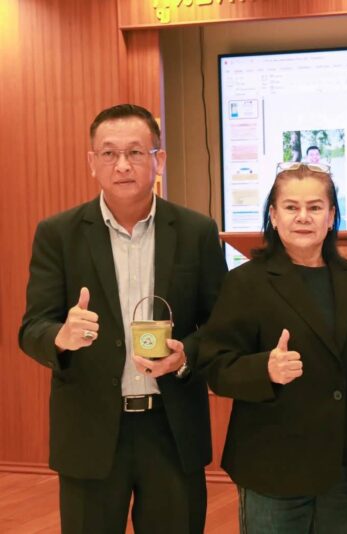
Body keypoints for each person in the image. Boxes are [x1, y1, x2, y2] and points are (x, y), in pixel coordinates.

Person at [18, 104, 228, 533]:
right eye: (109, 153)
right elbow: (32, 328)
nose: (123, 165)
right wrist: (62, 336)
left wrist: (185, 355)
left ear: (159, 160)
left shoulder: (196, 232)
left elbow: (221, 326)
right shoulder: (58, 234)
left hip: (171, 429)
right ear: (92, 162)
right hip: (90, 432)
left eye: (135, 152)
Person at [198, 162, 347, 533]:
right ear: (274, 216)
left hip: (342, 467)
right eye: (291, 207)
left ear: (331, 217)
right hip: (273, 465)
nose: (303, 217)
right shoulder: (246, 281)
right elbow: (215, 365)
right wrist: (264, 369)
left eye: (315, 207)